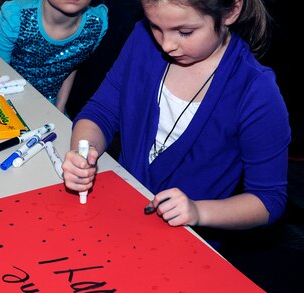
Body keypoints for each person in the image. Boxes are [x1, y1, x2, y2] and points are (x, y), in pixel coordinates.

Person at [62, 0, 290, 248]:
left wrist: (198, 212)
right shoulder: (142, 39)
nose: (166, 45)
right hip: (117, 214)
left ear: (232, 11)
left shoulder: (256, 91)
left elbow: (268, 200)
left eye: (185, 32)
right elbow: (102, 110)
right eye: (155, 26)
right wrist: (82, 151)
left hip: (186, 244)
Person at [0, 0, 108, 113]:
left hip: (48, 103)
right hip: (3, 92)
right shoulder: (16, 15)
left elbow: (72, 65)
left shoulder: (96, 24)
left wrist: (60, 106)